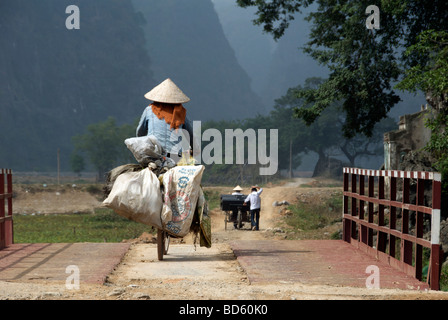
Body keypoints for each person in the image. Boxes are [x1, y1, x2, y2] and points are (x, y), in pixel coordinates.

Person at [136, 78, 196, 159]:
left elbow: (140, 133)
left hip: (153, 155)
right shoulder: (181, 113)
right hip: (175, 157)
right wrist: (194, 150)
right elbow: (190, 136)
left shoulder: (149, 110)